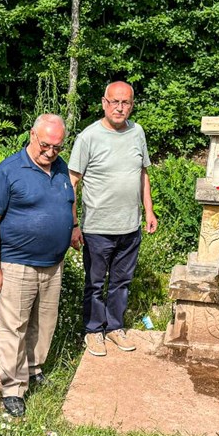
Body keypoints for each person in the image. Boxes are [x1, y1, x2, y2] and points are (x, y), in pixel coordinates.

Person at [0, 114, 80, 417]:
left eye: (58, 147)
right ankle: (13, 388)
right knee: (14, 327)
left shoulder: (61, 168)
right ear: (31, 135)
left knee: (44, 322)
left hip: (52, 264)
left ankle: (34, 368)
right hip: (16, 264)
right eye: (46, 145)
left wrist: (74, 225)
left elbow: (69, 198)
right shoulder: (8, 172)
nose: (51, 152)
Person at [69, 81, 158, 357]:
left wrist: (149, 210)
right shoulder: (88, 137)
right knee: (95, 282)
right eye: (115, 102)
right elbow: (72, 182)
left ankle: (115, 327)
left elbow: (143, 173)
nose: (120, 107)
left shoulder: (137, 132)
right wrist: (73, 224)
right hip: (97, 228)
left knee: (122, 280)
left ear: (132, 105)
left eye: (126, 103)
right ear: (104, 103)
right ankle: (94, 331)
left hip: (130, 225)